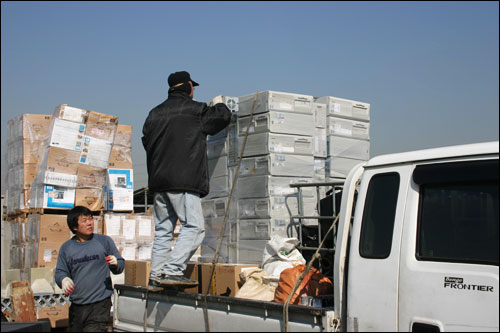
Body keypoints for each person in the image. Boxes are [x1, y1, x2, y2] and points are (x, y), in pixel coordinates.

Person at [142, 71, 231, 290]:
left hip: (159, 184)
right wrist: (220, 104)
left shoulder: (153, 114)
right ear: (189, 87)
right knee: (195, 228)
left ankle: (155, 276)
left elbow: (146, 142)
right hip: (182, 182)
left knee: (164, 231)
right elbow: (220, 119)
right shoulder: (194, 110)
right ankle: (172, 271)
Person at [55, 206, 125, 332]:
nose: (89, 223)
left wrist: (116, 263)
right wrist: (63, 280)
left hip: (99, 303)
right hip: (77, 305)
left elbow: (120, 264)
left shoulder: (104, 241)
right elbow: (60, 271)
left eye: (91, 219)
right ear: (75, 227)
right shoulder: (67, 248)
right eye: (84, 220)